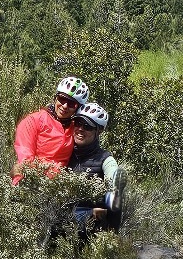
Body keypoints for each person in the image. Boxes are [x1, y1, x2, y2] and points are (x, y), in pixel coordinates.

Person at [13, 76, 90, 184]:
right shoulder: (33, 120)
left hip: (58, 186)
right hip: (29, 182)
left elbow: (91, 146)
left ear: (78, 108)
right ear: (55, 98)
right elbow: (25, 154)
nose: (65, 106)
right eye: (62, 99)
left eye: (72, 104)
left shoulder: (75, 128)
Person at [67, 102, 126, 236]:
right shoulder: (63, 152)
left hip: (89, 229)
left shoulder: (105, 159)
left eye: (87, 126)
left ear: (99, 131)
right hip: (60, 221)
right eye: (78, 123)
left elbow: (114, 181)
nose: (80, 129)